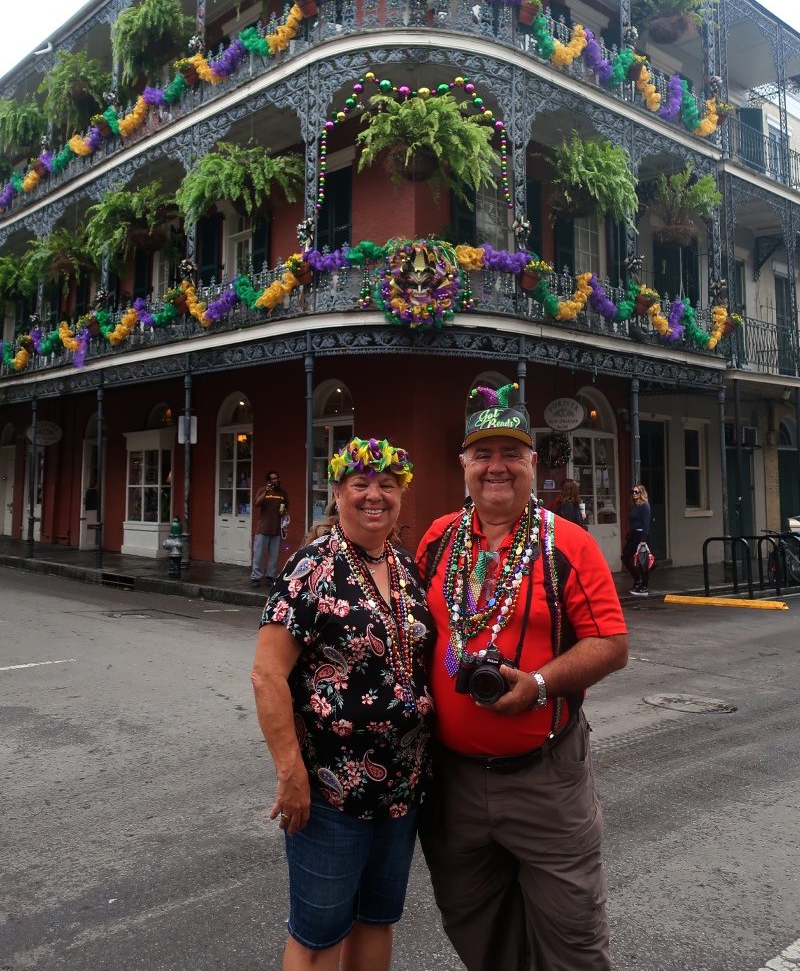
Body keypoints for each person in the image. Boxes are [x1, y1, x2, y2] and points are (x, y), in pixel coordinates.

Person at [416, 383, 628, 971]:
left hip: (545, 783)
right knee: (475, 925)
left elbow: (611, 644)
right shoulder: (438, 539)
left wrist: (536, 684)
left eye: (511, 453)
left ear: (532, 463)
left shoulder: (570, 545)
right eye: (482, 454)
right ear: (463, 465)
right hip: (453, 784)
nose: (496, 467)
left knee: (573, 940)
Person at [251, 437, 433, 971]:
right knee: (319, 935)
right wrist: (290, 772)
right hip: (329, 793)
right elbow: (267, 676)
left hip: (402, 789)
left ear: (401, 495)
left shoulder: (404, 566)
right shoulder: (311, 567)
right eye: (361, 484)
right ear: (338, 493)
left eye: (387, 485)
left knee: (377, 920)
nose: (374, 495)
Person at [251, 469, 289, 586]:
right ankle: (256, 577)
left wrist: (284, 514)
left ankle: (270, 577)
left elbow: (286, 508)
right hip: (263, 528)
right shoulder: (263, 490)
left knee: (274, 555)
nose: (276, 480)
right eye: (273, 479)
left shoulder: (283, 493)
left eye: (277, 478)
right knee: (259, 554)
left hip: (276, 528)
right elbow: (257, 503)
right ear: (268, 481)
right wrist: (266, 492)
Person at [622, 483, 652, 597]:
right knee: (625, 557)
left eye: (637, 492)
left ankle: (644, 585)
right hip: (633, 534)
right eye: (633, 492)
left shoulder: (645, 506)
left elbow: (646, 523)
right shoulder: (635, 505)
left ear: (641, 493)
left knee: (641, 560)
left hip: (641, 534)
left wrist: (643, 539)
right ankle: (638, 579)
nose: (634, 494)